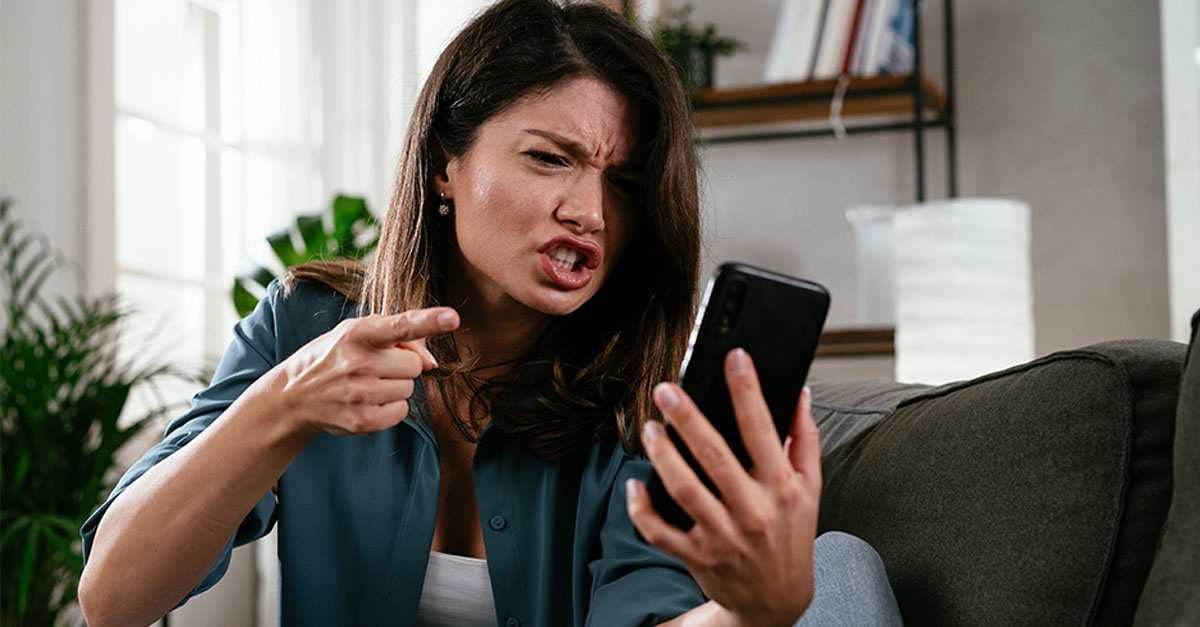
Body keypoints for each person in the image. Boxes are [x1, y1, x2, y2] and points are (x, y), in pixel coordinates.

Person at [78, 1, 901, 625]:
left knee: (839, 570)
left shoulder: (642, 403)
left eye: (622, 181)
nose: (590, 211)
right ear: (445, 164)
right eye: (551, 158)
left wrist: (748, 613)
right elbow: (114, 596)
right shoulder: (309, 324)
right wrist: (283, 404)